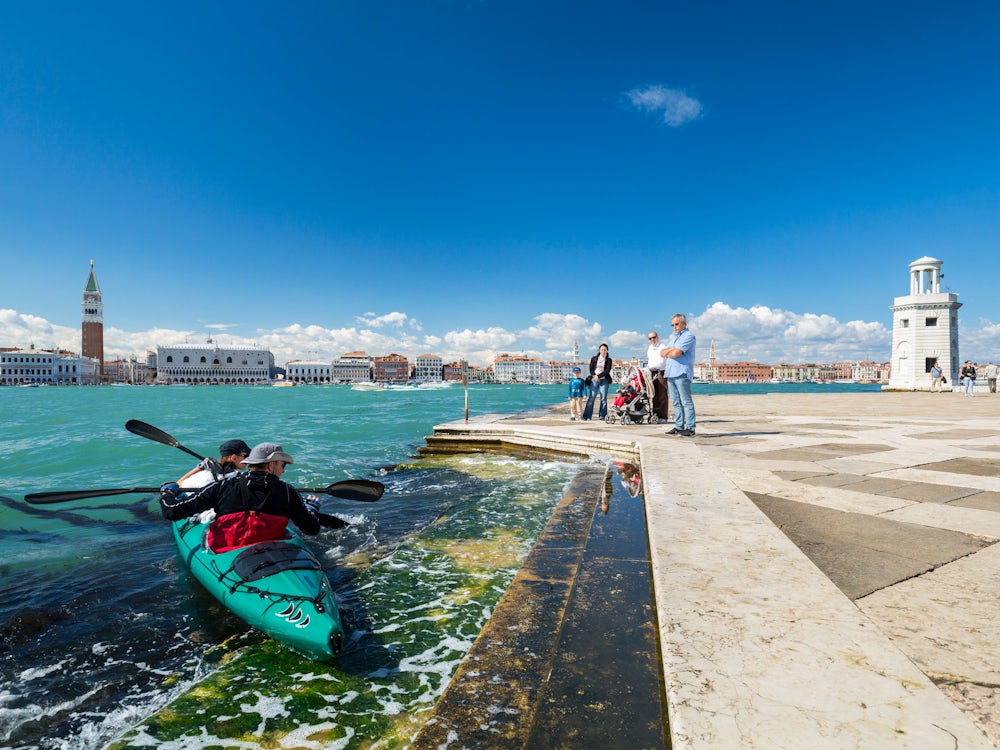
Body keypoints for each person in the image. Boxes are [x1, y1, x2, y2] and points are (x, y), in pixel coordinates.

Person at [159, 442, 321, 553]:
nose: (283, 471)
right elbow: (312, 529)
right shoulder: (288, 492)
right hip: (272, 549)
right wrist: (311, 510)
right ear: (271, 465)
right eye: (282, 465)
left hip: (227, 551)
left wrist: (167, 494)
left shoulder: (222, 486)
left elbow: (171, 512)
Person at [662, 313, 697, 436]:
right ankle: (679, 425)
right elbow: (662, 352)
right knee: (676, 401)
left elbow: (677, 353)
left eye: (676, 324)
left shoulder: (689, 336)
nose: (674, 327)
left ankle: (691, 427)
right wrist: (671, 351)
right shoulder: (674, 338)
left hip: (681, 372)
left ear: (684, 323)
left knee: (686, 401)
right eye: (673, 325)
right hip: (670, 372)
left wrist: (671, 351)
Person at [177, 438, 250, 486]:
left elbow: (178, 484)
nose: (248, 460)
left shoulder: (205, 477)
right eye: (246, 456)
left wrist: (200, 467)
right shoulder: (243, 478)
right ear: (234, 458)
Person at [581, 344, 613, 420]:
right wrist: (594, 376)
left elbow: (607, 371)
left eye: (605, 350)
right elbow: (591, 369)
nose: (603, 351)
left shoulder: (609, 360)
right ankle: (587, 416)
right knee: (592, 397)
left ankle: (602, 416)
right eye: (602, 349)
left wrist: (598, 376)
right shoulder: (594, 359)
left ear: (607, 351)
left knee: (603, 398)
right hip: (594, 379)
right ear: (599, 350)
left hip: (604, 380)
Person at [646, 331, 670, 422]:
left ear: (657, 337)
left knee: (662, 394)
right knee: (653, 395)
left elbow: (662, 362)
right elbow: (650, 360)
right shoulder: (650, 348)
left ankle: (663, 417)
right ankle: (655, 415)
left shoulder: (662, 347)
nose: (652, 339)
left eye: (654, 337)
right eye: (650, 338)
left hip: (661, 372)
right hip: (651, 372)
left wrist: (653, 367)